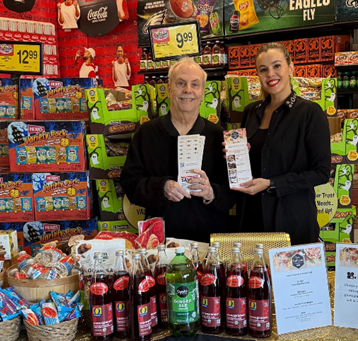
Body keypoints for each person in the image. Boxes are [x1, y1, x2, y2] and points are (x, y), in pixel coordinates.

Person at [120, 57, 233, 243]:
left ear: (203, 92)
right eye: (181, 83)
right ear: (169, 87)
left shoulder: (219, 136)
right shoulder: (147, 133)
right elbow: (129, 182)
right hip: (160, 242)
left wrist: (212, 193)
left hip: (208, 241)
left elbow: (233, 193)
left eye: (195, 84)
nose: (188, 90)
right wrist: (161, 187)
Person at [234, 42, 330, 245]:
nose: (270, 74)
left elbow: (321, 172)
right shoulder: (251, 112)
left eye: (277, 66)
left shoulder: (310, 113)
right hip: (252, 220)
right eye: (263, 69)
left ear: (291, 67)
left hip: (292, 221)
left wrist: (271, 184)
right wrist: (235, 157)